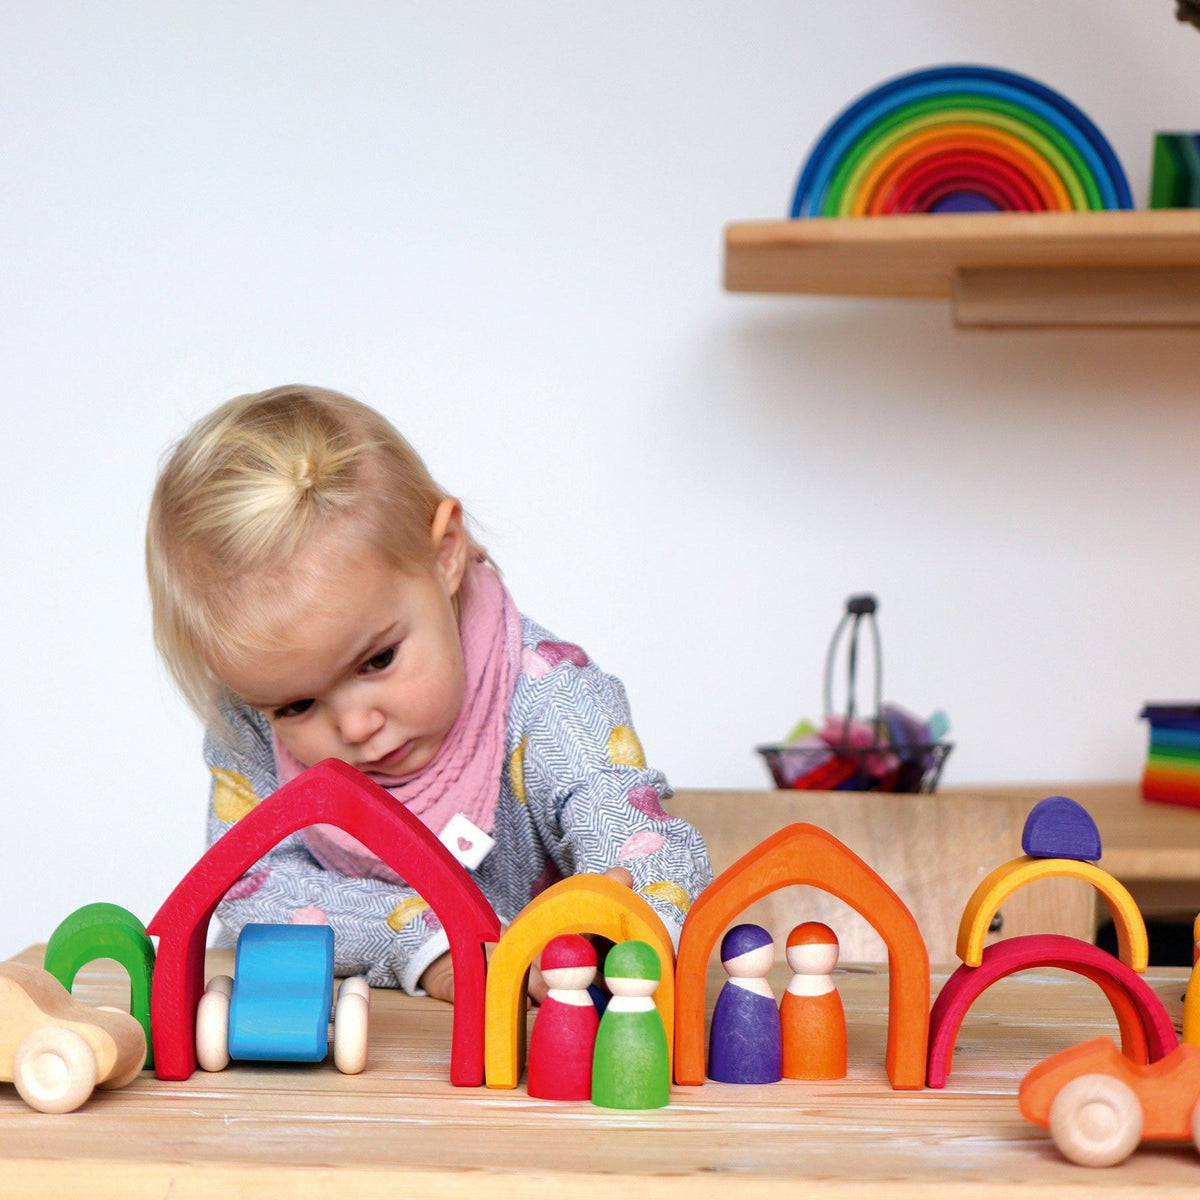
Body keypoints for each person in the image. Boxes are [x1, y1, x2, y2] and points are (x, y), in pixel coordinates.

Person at [145, 384, 712, 1002]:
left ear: (444, 556)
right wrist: (429, 941)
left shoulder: (554, 699)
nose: (357, 726)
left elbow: (650, 852)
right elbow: (251, 886)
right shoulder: (252, 724)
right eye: (297, 706)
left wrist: (616, 938)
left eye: (379, 660)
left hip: (541, 1062)